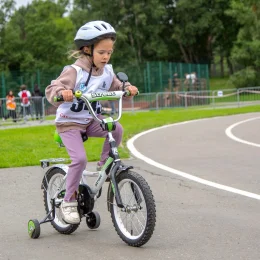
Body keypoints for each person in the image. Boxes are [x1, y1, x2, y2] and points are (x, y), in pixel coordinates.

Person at [45, 20, 138, 225]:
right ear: (87, 49)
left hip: (90, 121)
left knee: (116, 128)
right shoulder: (74, 71)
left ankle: (105, 167)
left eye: (109, 52)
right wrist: (63, 93)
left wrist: (128, 87)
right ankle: (68, 201)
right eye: (102, 52)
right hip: (69, 123)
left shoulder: (107, 71)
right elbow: (52, 89)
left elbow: (118, 85)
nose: (106, 56)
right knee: (79, 160)